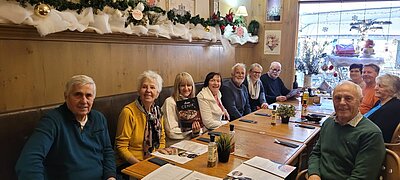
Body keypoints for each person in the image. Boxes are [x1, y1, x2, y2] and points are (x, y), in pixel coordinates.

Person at [15, 75, 116, 180]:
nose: (84, 101)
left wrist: (111, 176)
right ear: (66, 96)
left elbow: (107, 151)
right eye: (78, 95)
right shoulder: (52, 121)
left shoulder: (99, 118)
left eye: (88, 96)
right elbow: (28, 161)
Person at [308, 81, 385, 180]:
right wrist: (314, 174)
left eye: (348, 98)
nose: (342, 102)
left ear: (360, 101)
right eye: (337, 98)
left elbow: (362, 177)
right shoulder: (329, 123)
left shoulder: (371, 134)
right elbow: (316, 153)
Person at [115, 70, 168, 173]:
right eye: (144, 87)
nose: (148, 90)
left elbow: (162, 139)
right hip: (129, 163)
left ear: (157, 93)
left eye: (152, 87)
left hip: (152, 159)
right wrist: (141, 165)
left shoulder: (158, 112)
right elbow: (121, 147)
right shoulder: (128, 112)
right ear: (139, 91)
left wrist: (157, 156)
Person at [162, 72, 202, 146]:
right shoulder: (170, 102)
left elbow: (200, 129)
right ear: (177, 87)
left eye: (189, 85)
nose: (186, 88)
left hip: (192, 141)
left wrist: (196, 132)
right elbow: (171, 133)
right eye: (182, 85)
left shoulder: (193, 102)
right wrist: (191, 131)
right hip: (175, 145)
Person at [364, 74, 400, 143]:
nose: (375, 88)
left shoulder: (393, 108)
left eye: (380, 86)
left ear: (392, 89)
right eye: (376, 85)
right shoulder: (380, 102)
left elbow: (377, 131)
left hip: (371, 144)